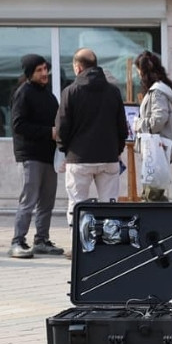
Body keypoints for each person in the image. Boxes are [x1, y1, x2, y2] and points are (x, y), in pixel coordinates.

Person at [55, 47, 128, 224]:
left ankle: (78, 246)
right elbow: (122, 127)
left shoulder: (70, 92)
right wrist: (117, 149)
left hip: (79, 158)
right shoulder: (113, 92)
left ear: (78, 67)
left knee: (77, 205)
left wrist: (64, 149)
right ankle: (110, 243)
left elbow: (62, 126)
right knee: (110, 205)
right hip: (108, 157)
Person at [8, 53, 62, 259]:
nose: (44, 73)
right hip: (30, 155)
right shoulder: (23, 93)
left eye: (45, 69)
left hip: (49, 155)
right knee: (28, 200)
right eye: (39, 70)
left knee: (47, 201)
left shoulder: (49, 96)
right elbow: (18, 124)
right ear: (30, 73)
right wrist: (49, 132)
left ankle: (41, 240)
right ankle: (17, 241)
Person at [134, 51, 172, 202]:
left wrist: (139, 124)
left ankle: (160, 224)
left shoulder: (157, 92)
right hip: (158, 149)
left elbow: (159, 119)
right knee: (154, 194)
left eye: (138, 70)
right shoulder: (161, 89)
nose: (137, 74)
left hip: (157, 150)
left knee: (151, 196)